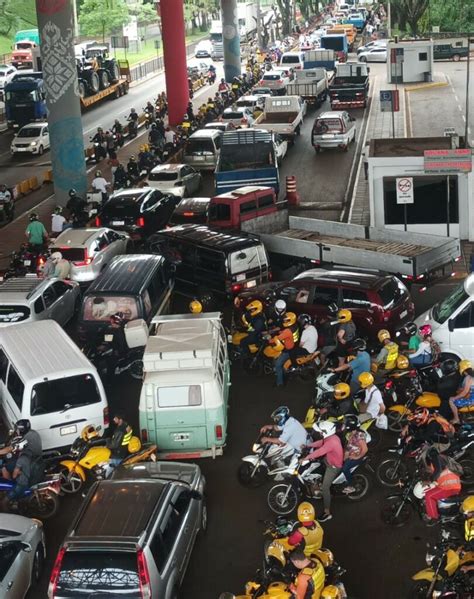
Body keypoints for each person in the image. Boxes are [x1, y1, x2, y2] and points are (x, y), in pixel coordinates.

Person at [305, 421, 343, 522]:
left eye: (321, 432)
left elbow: (320, 451)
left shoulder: (331, 442)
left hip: (333, 466)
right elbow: (321, 443)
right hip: (328, 460)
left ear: (326, 432)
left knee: (325, 488)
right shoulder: (331, 437)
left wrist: (306, 458)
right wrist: (308, 446)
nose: (320, 433)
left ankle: (327, 512)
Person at [0, 419, 43, 508]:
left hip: (29, 460)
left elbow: (10, 448)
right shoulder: (33, 433)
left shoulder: (24, 438)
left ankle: (10, 486)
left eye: (18, 429)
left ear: (21, 429)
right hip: (35, 457)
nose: (17, 430)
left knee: (5, 467)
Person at [423, 448, 461, 523]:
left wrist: (429, 480)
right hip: (451, 484)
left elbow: (438, 471)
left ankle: (433, 516)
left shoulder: (435, 458)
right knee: (431, 489)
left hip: (449, 486)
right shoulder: (442, 457)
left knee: (429, 495)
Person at [341, 415, 368, 494]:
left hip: (356, 456)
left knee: (344, 469)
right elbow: (349, 446)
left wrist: (357, 457)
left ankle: (351, 486)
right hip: (350, 454)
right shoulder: (351, 433)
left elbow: (365, 449)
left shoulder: (359, 435)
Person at [272, 312, 297, 387]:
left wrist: (269, 340)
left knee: (278, 364)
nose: (284, 322)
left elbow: (278, 338)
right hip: (294, 347)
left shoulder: (288, 331)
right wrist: (279, 332)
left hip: (288, 350)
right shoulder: (295, 326)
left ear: (290, 320)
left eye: (286, 320)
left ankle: (280, 383)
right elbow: (285, 333)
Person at [449, 359, 474, 425]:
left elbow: (464, 392)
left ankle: (456, 419)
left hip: (471, 400)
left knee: (451, 400)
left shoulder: (468, 378)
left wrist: (455, 397)